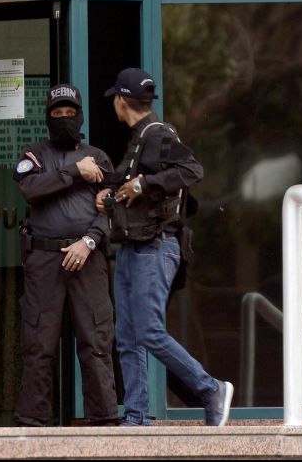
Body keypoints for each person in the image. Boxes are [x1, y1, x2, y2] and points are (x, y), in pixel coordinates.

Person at [97, 67, 233, 427]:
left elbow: (192, 170)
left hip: (156, 246)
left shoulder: (158, 134)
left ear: (120, 100)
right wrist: (109, 195)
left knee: (148, 331)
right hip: (133, 247)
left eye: (115, 98)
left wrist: (142, 185)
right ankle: (137, 415)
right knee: (127, 337)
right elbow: (134, 189)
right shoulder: (140, 138)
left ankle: (211, 389)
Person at [13, 84, 118, 427]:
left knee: (95, 342)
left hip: (87, 257)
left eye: (70, 113)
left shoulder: (98, 157)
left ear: (80, 116)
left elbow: (111, 209)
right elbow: (30, 189)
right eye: (57, 113)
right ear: (48, 117)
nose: (64, 119)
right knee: (39, 345)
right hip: (44, 259)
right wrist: (75, 172)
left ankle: (103, 422)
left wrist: (88, 241)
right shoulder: (34, 154)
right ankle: (33, 423)